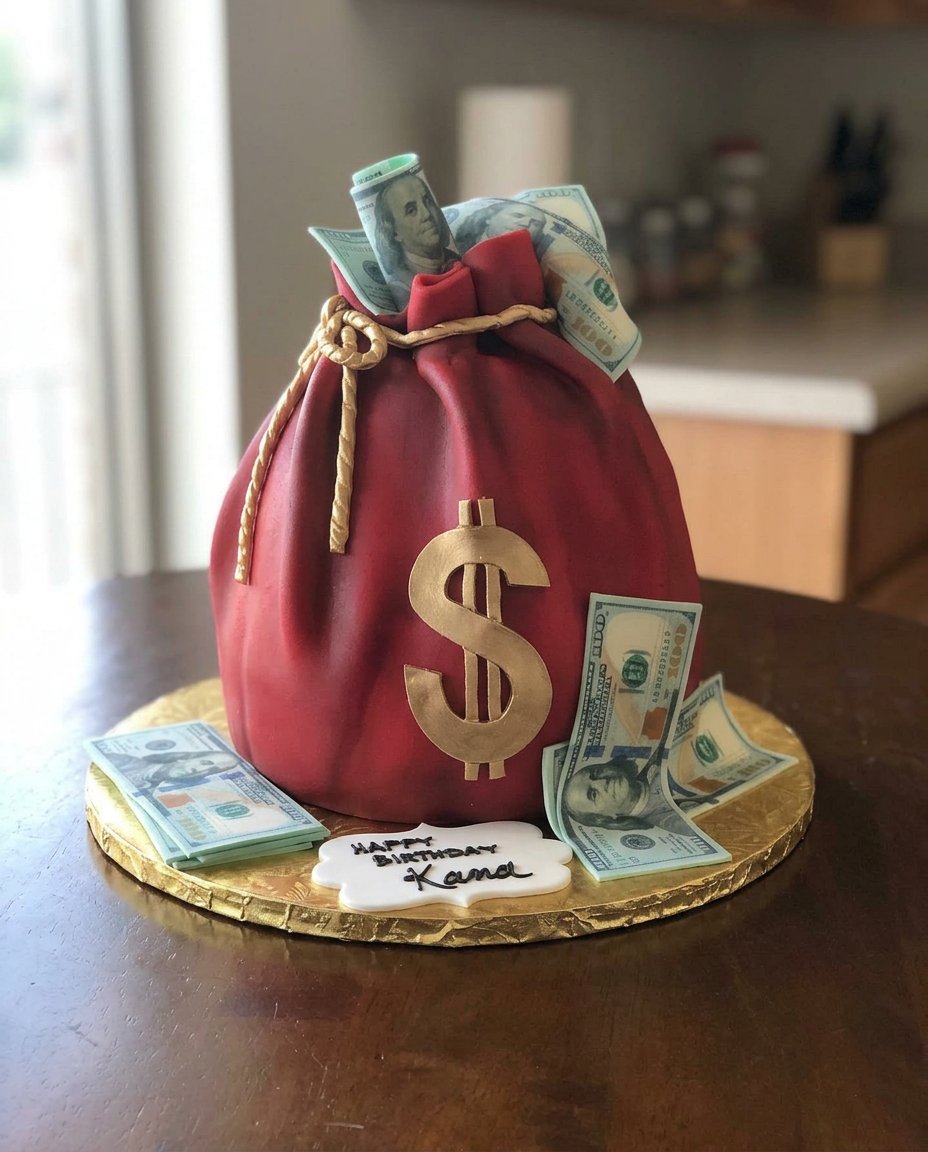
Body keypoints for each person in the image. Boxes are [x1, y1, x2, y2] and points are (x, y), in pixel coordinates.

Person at [373, 173, 458, 302]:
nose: (427, 214)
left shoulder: (457, 259)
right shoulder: (401, 287)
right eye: (411, 210)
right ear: (395, 232)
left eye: (427, 201)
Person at [562, 755, 695, 835]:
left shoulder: (656, 757)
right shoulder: (672, 825)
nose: (602, 782)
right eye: (593, 794)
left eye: (596, 773)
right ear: (607, 818)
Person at [454, 199, 551, 257]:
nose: (525, 224)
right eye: (518, 215)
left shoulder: (537, 264)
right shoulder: (455, 249)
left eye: (536, 223)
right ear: (489, 218)